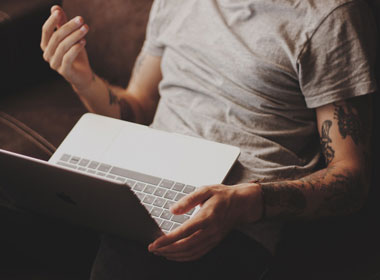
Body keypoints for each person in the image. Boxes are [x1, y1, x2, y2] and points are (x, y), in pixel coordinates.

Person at [40, 0, 377, 279]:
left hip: (233, 220)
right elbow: (139, 107)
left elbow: (352, 177)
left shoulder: (330, 17)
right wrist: (82, 78)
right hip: (147, 182)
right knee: (35, 219)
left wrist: (247, 203)